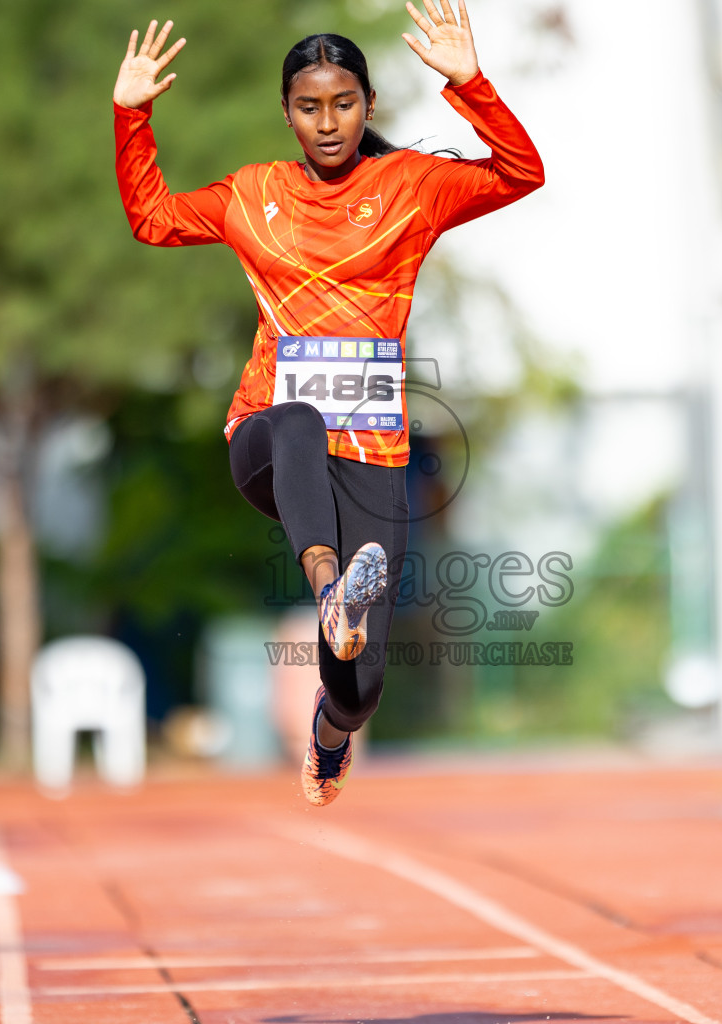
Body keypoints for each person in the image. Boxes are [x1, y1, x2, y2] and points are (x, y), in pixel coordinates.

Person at [112, 2, 544, 804]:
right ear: (287, 113)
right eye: (309, 107)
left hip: (372, 455)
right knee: (299, 420)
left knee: (359, 690)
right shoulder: (254, 194)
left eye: (343, 103)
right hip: (270, 443)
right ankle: (329, 588)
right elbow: (152, 218)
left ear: (369, 105)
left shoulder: (411, 188)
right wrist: (131, 113)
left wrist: (471, 84)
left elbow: (521, 173)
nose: (329, 122)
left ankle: (327, 732)